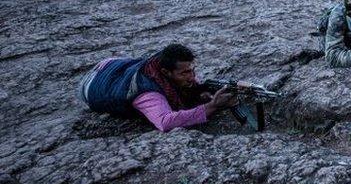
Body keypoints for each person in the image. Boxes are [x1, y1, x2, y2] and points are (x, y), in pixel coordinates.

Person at [78, 43, 237, 132]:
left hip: (110, 64)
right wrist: (211, 106)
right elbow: (165, 122)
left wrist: (199, 91)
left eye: (192, 70)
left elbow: (192, 84)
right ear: (165, 72)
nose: (192, 77)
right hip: (90, 86)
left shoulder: (159, 61)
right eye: (184, 73)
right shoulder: (146, 91)